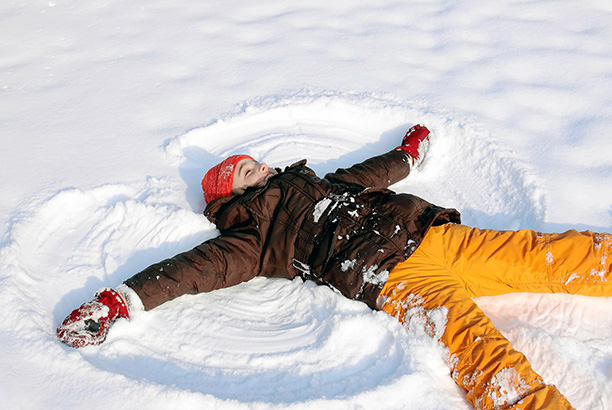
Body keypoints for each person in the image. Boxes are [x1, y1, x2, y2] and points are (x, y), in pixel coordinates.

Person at [56, 125, 611, 410]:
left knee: (546, 253)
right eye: (250, 168)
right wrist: (119, 300)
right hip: (394, 281)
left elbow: (369, 173)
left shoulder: (317, 182)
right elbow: (192, 269)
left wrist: (407, 155)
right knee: (477, 348)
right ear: (234, 192)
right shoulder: (253, 238)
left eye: (259, 161)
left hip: (431, 235)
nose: (264, 164)